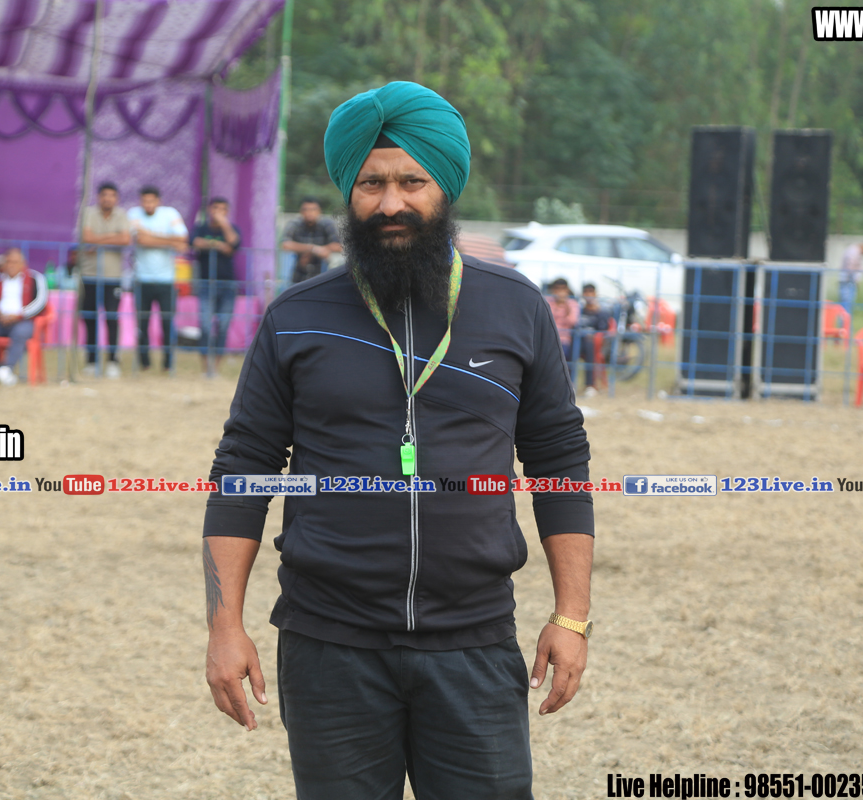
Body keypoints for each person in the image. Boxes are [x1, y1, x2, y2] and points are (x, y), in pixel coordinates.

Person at [202, 81, 593, 797]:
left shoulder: (516, 308)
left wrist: (572, 616)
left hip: (474, 643)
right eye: (371, 183)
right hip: (329, 646)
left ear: (445, 187)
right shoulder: (296, 316)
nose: (390, 203)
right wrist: (224, 627)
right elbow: (243, 470)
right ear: (349, 192)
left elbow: (559, 461)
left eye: (412, 182)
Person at [127, 186, 187, 371]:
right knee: (142, 324)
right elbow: (141, 240)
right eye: (145, 201)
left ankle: (168, 364)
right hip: (141, 279)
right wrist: (170, 241)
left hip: (166, 280)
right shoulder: (133, 214)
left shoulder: (170, 214)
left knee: (167, 323)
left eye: (151, 201)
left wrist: (149, 235)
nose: (148, 204)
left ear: (158, 201)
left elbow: (182, 241)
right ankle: (144, 363)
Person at [0, 247, 48, 387]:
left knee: (20, 333)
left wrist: (19, 315)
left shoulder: (35, 278)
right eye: (8, 262)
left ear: (23, 263)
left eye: (15, 262)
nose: (11, 265)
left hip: (23, 320)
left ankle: (7, 368)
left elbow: (41, 301)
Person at [79, 182, 130, 377]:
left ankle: (113, 361)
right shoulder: (88, 213)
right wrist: (111, 237)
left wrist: (98, 240)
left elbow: (125, 239)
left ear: (116, 198)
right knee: (90, 318)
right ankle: (91, 361)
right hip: (89, 275)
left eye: (112, 195)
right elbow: (87, 237)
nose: (108, 199)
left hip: (113, 277)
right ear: (99, 197)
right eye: (104, 195)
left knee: (111, 318)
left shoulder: (122, 215)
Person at [191, 196, 241, 370]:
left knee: (224, 325)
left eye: (222, 209)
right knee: (205, 324)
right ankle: (205, 366)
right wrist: (218, 245)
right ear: (209, 210)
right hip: (205, 283)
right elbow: (194, 241)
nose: (218, 212)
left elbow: (234, 243)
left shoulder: (232, 228)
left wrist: (224, 224)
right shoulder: (201, 227)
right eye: (215, 208)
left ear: (227, 212)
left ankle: (216, 366)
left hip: (228, 284)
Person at [281, 197, 342, 284]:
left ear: (319, 211)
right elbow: (285, 244)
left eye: (313, 209)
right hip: (299, 274)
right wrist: (313, 249)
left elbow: (338, 246)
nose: (309, 213)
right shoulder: (294, 224)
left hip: (322, 274)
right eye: (306, 209)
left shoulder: (327, 224)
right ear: (301, 211)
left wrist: (316, 252)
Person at [576, 283, 612, 397]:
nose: (588, 295)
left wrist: (594, 336)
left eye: (591, 292)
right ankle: (569, 383)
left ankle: (590, 385)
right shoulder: (579, 311)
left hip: (594, 344)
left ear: (595, 294)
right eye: (586, 292)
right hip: (578, 341)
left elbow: (603, 331)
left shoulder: (602, 312)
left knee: (590, 348)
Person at [546, 277, 580, 361]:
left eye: (562, 289)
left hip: (563, 340)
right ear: (553, 290)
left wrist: (566, 306)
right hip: (547, 337)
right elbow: (545, 320)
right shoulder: (547, 301)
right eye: (557, 289)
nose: (560, 292)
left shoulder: (572, 304)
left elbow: (573, 322)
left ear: (567, 290)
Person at [839, 240, 863, 314]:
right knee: (846, 304)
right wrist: (854, 277)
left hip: (849, 281)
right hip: (848, 281)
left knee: (848, 304)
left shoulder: (855, 251)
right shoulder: (853, 251)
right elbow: (850, 266)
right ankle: (845, 321)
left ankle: (846, 320)